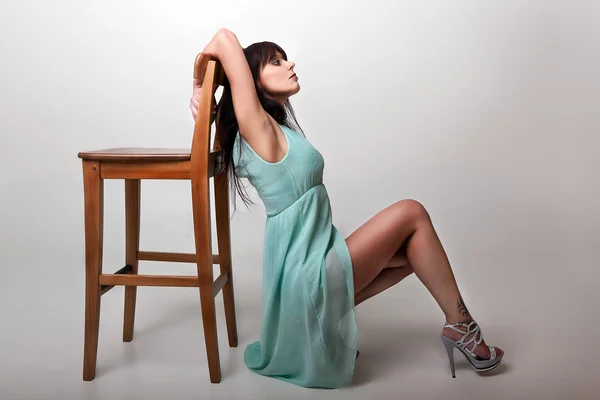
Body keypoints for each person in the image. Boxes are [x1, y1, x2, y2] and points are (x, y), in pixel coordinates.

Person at [189, 28, 504, 388]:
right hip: (308, 273)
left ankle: (332, 320)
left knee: (415, 253)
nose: (290, 64)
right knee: (412, 212)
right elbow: (225, 39)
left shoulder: (274, 129)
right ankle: (463, 329)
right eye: (275, 61)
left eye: (285, 57)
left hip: (309, 270)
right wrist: (199, 83)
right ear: (250, 82)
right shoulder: (256, 127)